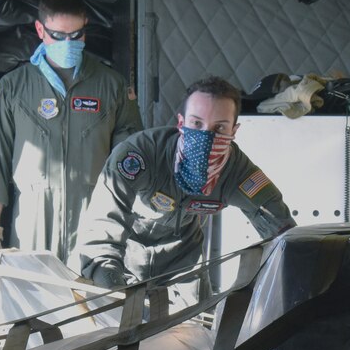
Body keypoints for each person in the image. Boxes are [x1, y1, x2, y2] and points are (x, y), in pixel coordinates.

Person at [74, 76, 295, 300]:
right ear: (181, 123)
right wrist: (111, 289)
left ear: (234, 131)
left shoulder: (237, 173)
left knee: (199, 330)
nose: (206, 137)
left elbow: (281, 229)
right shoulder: (138, 155)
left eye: (219, 127)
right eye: (196, 124)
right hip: (126, 258)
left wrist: (295, 281)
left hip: (185, 267)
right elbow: (102, 230)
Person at [0, 0, 142, 263]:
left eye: (76, 35)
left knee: (95, 304)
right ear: (40, 30)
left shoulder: (112, 87)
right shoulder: (13, 89)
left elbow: (132, 165)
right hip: (31, 228)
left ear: (85, 28)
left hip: (95, 226)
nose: (68, 42)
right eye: (58, 36)